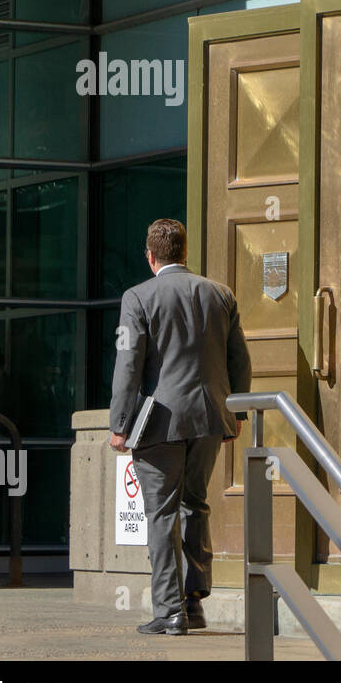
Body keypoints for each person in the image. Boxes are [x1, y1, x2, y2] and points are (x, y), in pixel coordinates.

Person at [109, 218, 251, 635]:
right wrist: (237, 411)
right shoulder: (219, 293)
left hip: (159, 421)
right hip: (209, 418)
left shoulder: (138, 296)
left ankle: (169, 610)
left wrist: (119, 424)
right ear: (184, 252)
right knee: (195, 503)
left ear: (150, 255)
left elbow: (128, 366)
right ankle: (193, 603)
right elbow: (238, 357)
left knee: (161, 515)